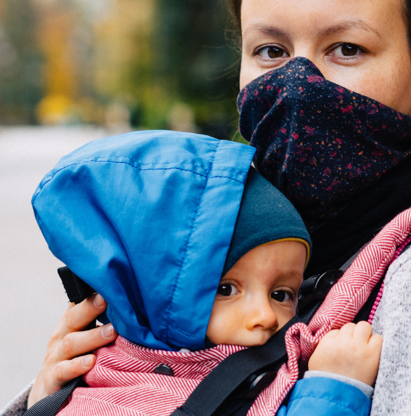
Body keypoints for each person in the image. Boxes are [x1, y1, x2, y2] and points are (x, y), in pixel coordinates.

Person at [7, 0, 411, 414]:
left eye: (346, 49)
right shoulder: (222, 246)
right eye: (271, 51)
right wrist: (61, 396)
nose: (299, 84)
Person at [27, 131, 381, 416]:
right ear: (150, 296)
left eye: (281, 294)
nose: (264, 317)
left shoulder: (273, 363)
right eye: (226, 289)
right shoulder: (105, 400)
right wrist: (334, 389)